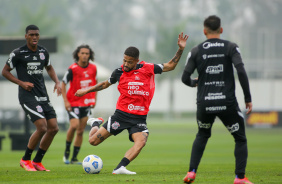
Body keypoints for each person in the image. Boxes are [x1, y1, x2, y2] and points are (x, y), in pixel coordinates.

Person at [75, 32, 189, 174]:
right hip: (121, 115)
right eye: (124, 60)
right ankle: (96, 123)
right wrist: (86, 91)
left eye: (129, 62)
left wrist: (181, 49)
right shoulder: (119, 72)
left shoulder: (147, 68)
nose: (126, 64)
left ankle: (120, 167)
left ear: (137, 61)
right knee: (93, 142)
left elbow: (170, 66)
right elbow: (105, 84)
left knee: (141, 142)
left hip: (139, 118)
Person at [181, 15, 253, 184]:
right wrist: (247, 98)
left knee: (202, 135)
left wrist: (195, 83)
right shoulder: (231, 47)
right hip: (226, 102)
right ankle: (240, 178)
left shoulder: (196, 50)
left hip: (205, 103)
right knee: (240, 138)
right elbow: (241, 72)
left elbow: (185, 77)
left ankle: (191, 172)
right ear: (221, 30)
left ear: (204, 31)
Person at [1, 25, 61, 171]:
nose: (35, 37)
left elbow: (49, 67)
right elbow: (5, 71)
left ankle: (37, 162)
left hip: (43, 95)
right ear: (26, 36)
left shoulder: (43, 52)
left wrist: (57, 82)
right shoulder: (18, 53)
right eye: (32, 35)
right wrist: (21, 83)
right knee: (42, 127)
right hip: (27, 96)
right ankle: (25, 159)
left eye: (37, 35)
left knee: (53, 128)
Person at [61, 44, 98, 164]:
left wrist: (94, 99)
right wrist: (66, 101)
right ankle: (66, 153)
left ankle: (74, 158)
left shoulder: (93, 68)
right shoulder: (72, 69)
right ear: (78, 54)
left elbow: (96, 84)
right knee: (74, 125)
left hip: (86, 103)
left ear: (89, 55)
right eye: (82, 53)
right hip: (73, 103)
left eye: (87, 53)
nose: (84, 55)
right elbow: (63, 83)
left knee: (81, 131)